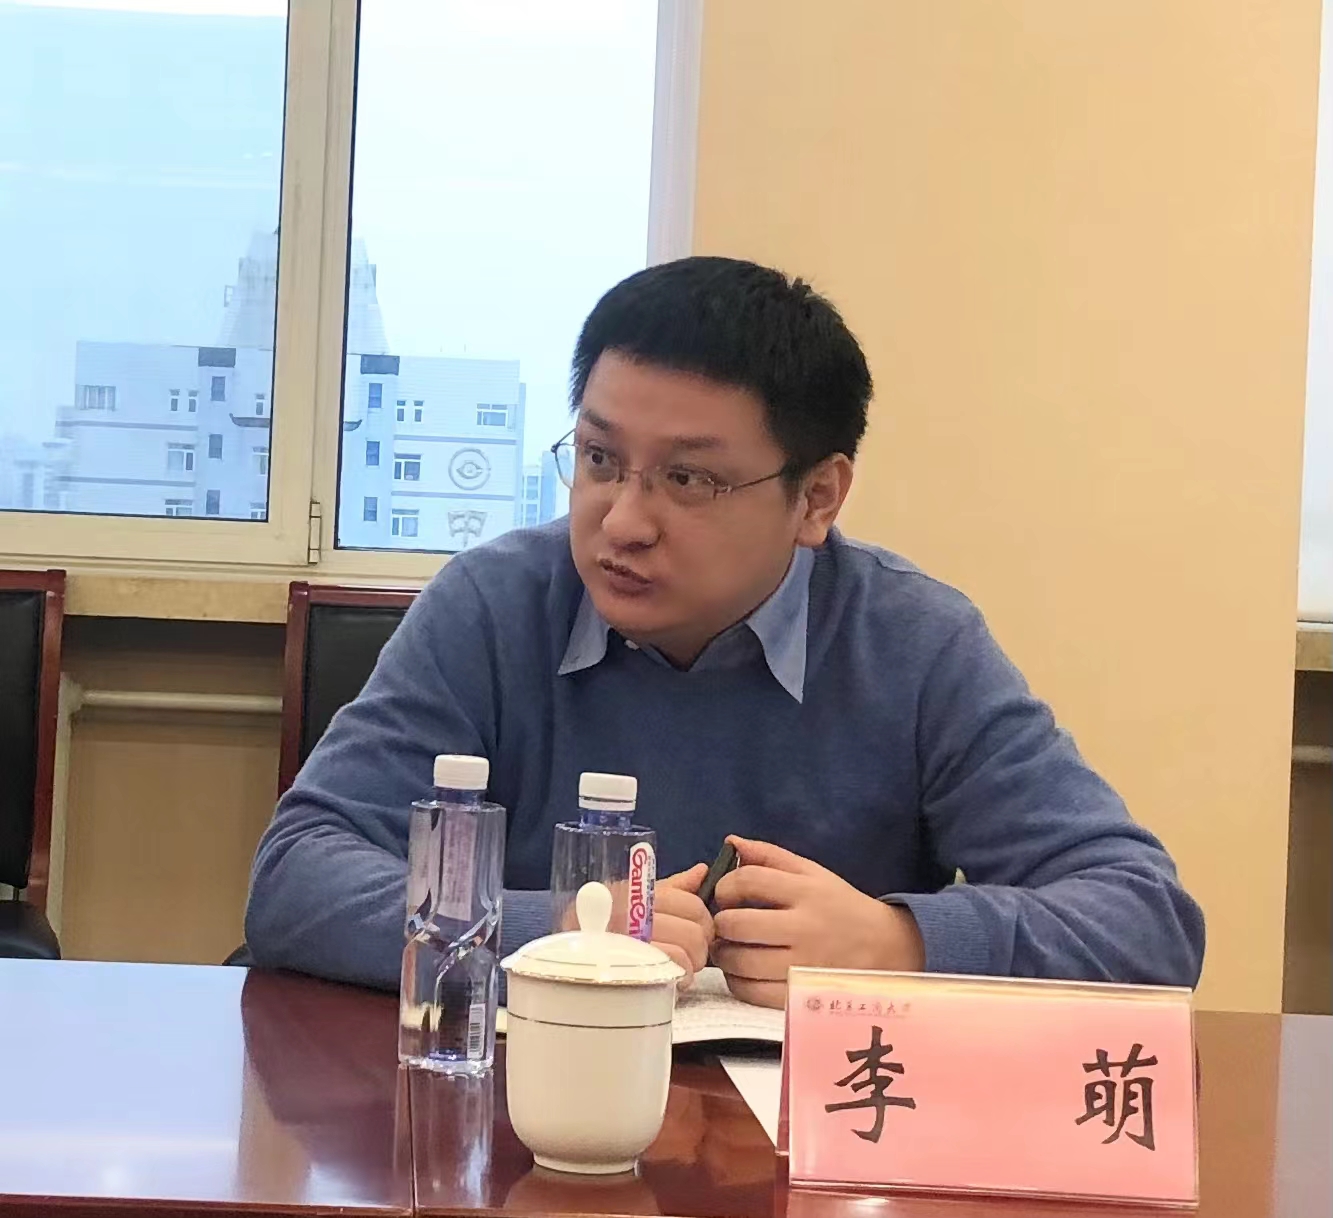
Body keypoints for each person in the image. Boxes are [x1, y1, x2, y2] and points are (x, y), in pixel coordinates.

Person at [245, 256, 1204, 1008]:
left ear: (816, 498)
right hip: (517, 1117)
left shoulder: (913, 644)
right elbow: (297, 878)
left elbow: (1145, 920)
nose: (623, 520)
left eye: (688, 479)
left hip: (801, 1147)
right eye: (599, 458)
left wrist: (899, 943)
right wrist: (559, 931)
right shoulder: (494, 606)